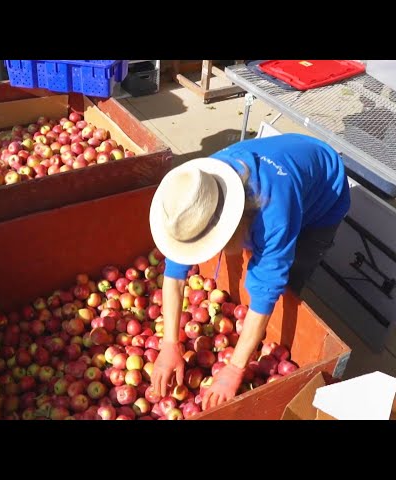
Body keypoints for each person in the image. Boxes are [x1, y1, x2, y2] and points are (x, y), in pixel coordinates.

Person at [148, 133, 350, 411]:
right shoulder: (199, 191)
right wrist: (170, 343)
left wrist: (234, 368)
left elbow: (266, 291)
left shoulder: (274, 218)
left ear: (232, 224)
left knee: (290, 274)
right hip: (287, 164)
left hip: (325, 187)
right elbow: (174, 272)